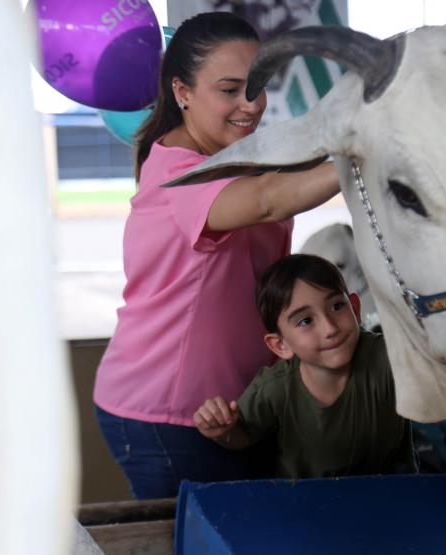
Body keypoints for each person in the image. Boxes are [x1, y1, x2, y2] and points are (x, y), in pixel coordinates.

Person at [93, 12, 341, 500]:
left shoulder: (239, 152)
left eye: (258, 86)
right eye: (230, 90)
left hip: (235, 407)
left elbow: (295, 165)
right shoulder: (179, 173)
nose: (251, 104)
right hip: (167, 411)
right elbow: (268, 199)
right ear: (182, 91)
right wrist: (367, 154)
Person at [194, 254, 416, 479]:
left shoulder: (388, 355)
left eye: (337, 306)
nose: (330, 328)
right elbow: (242, 435)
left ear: (355, 309)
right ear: (280, 345)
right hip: (304, 504)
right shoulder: (276, 387)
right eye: (306, 321)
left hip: (392, 496)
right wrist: (221, 430)